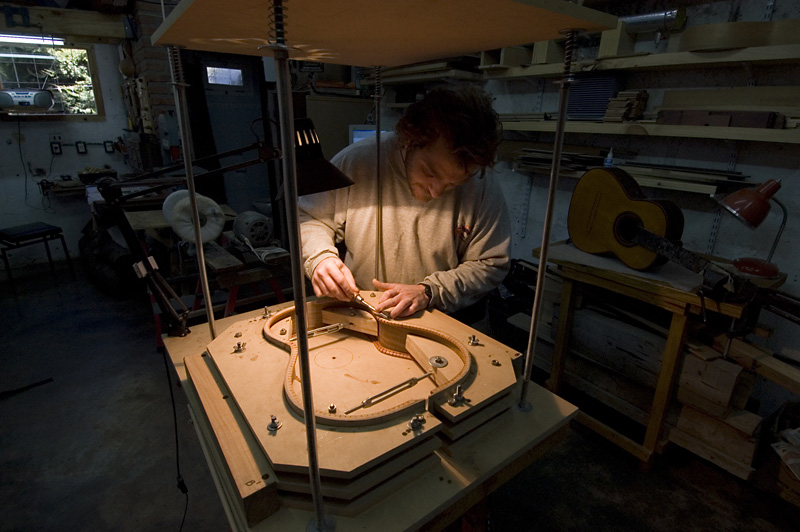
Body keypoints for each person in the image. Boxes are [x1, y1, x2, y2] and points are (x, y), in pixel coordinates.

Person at [298, 85, 511, 319]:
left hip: (434, 317)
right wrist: (320, 258)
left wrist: (431, 291)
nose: (437, 192)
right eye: (430, 172)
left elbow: (490, 262)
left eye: (452, 184)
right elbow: (310, 217)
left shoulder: (480, 185)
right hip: (361, 312)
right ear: (407, 141)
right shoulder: (357, 162)